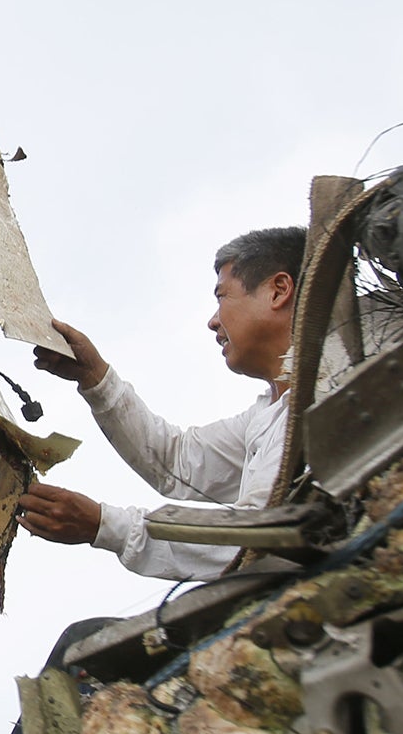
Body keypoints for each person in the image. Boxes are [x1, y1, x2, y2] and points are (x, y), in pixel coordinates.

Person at [18, 226, 306, 584]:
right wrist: (96, 378)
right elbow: (177, 461)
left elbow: (257, 537)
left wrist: (105, 525)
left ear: (278, 291)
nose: (213, 320)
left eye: (223, 297)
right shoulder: (267, 415)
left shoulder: (323, 400)